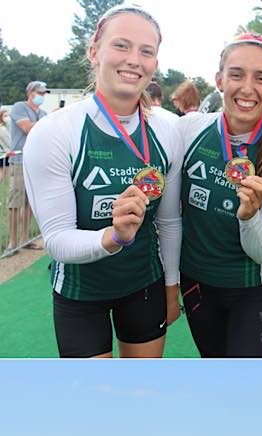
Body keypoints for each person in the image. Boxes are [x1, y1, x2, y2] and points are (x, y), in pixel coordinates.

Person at [23, 4, 182, 359]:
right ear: (94, 52)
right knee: (94, 408)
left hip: (144, 284)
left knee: (140, 398)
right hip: (81, 293)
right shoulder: (55, 132)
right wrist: (114, 237)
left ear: (155, 63)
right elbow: (57, 240)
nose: (134, 60)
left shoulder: (167, 129)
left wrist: (171, 287)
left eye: (147, 51)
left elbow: (170, 221)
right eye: (121, 45)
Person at [178, 31, 262, 358]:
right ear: (219, 80)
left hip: (251, 290)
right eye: (236, 74)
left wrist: (248, 217)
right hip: (194, 282)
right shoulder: (189, 130)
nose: (247, 88)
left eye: (261, 78)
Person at [7, 81, 49, 252]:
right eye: (40, 92)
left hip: (36, 162)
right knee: (15, 203)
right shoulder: (19, 107)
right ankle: (13, 242)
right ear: (30, 92)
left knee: (30, 203)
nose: (42, 96)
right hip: (19, 162)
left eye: (44, 93)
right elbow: (27, 128)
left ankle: (25, 239)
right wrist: (50, 122)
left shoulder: (44, 113)